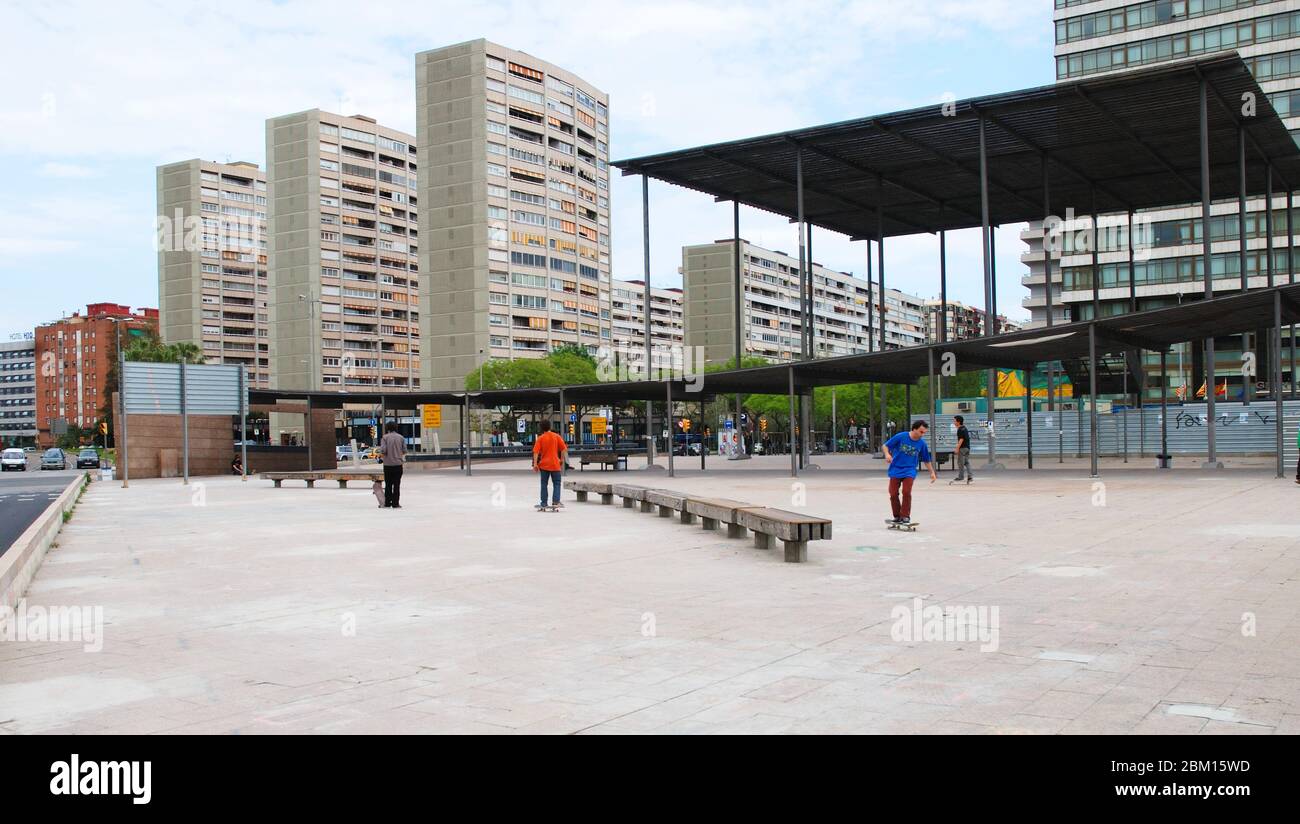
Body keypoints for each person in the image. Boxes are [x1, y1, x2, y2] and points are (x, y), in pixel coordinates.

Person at [882, 420, 937, 526]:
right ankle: (897, 516)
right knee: (893, 494)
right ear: (914, 429)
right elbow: (885, 446)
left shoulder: (922, 444)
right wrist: (887, 454)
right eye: (921, 432)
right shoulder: (901, 436)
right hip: (895, 469)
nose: (922, 434)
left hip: (909, 470)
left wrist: (932, 473)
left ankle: (905, 516)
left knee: (907, 492)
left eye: (924, 433)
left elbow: (926, 459)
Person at [532, 419, 567, 511]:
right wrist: (561, 459)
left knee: (544, 484)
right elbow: (563, 449)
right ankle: (556, 502)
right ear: (550, 426)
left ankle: (543, 504)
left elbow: (536, 452)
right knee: (557, 483)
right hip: (555, 464)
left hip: (544, 465)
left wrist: (535, 464)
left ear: (541, 428)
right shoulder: (556, 436)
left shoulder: (541, 438)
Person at [379, 422, 405, 509]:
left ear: (387, 428)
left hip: (387, 464)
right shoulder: (401, 437)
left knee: (388, 484)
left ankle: (387, 502)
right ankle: (395, 503)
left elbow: (383, 450)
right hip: (398, 464)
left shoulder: (384, 437)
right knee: (397, 485)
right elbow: (404, 450)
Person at [950, 414, 973, 485]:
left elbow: (961, 439)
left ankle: (961, 477)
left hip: (962, 448)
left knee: (960, 463)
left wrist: (957, 448)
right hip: (967, 448)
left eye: (954, 421)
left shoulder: (960, 429)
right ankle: (970, 477)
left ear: (958, 422)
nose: (954, 422)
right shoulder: (965, 428)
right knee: (966, 462)